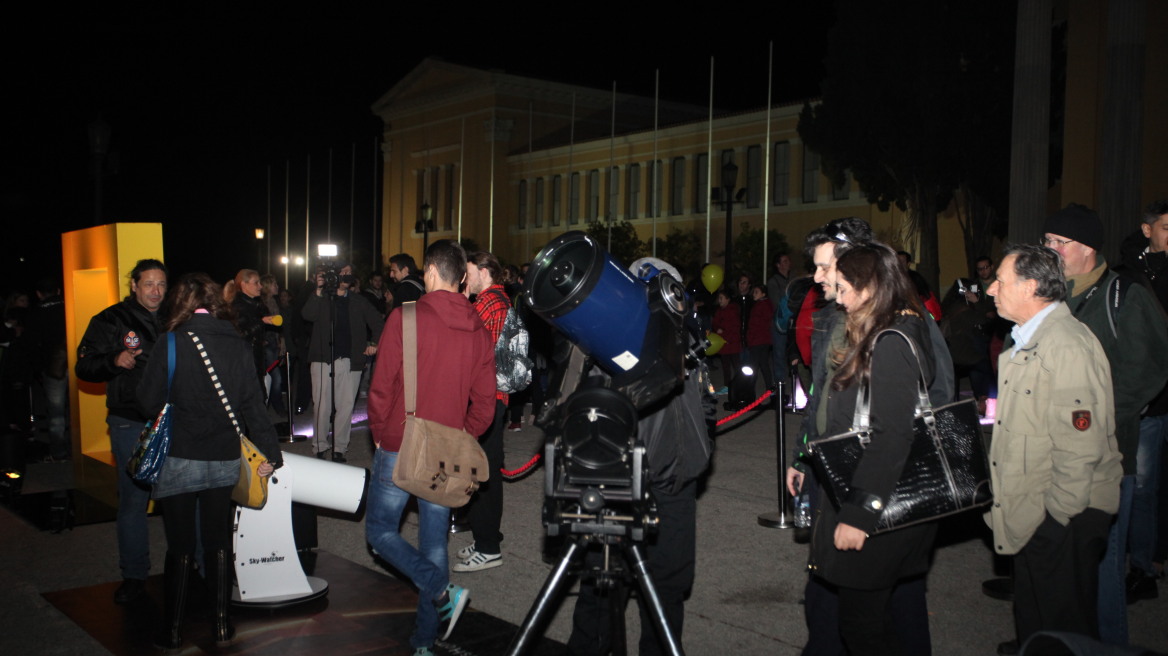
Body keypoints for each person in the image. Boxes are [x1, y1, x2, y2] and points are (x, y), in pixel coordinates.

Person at [788, 218, 951, 656]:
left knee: (885, 606)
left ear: (858, 271)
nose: (819, 279)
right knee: (833, 593)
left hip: (878, 481)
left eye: (826, 269)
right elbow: (822, 392)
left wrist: (866, 505)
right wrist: (804, 455)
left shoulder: (900, 327)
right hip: (835, 468)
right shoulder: (839, 314)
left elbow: (909, 419)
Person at [567, 257, 714, 656]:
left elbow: (704, 404)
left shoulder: (682, 337)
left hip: (675, 479)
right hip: (619, 481)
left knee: (665, 589)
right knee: (602, 587)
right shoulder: (605, 337)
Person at [985, 244, 1123, 653]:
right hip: (1037, 511)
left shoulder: (1065, 345)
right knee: (1037, 625)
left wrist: (1055, 518)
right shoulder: (1031, 340)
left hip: (1064, 516)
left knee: (1065, 632)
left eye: (1000, 281)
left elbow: (1080, 447)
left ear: (1030, 288)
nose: (991, 289)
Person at [1042, 203, 1168, 646]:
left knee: (1103, 563)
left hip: (1107, 454)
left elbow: (1150, 368)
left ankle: (1108, 645)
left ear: (1090, 248)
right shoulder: (1051, 296)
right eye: (1049, 242)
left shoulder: (1124, 294)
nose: (1052, 250)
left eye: (1062, 243)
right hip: (1052, 453)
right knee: (1060, 560)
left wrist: (1098, 419)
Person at [136, 272, 281, 650]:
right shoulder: (236, 342)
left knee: (181, 546)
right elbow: (253, 404)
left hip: (179, 455)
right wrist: (270, 454)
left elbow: (148, 402)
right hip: (222, 455)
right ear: (217, 303)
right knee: (218, 541)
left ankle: (172, 629)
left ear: (180, 303)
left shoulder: (169, 343)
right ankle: (221, 624)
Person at [366, 239, 496, 656]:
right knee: (435, 545)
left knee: (380, 532)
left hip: (400, 442)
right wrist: (464, 435)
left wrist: (381, 434)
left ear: (430, 273)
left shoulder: (405, 317)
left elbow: (381, 388)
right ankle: (425, 642)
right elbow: (486, 403)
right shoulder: (478, 327)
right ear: (461, 277)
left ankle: (442, 590)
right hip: (447, 451)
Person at [74, 258, 167, 604]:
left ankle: (198, 566)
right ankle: (134, 575)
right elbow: (84, 365)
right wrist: (114, 360)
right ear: (134, 285)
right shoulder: (111, 319)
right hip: (131, 421)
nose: (156, 291)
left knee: (183, 498)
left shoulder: (174, 317)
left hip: (174, 420)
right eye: (148, 284)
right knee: (133, 500)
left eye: (161, 285)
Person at [1119, 199, 1168, 603]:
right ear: (1148, 230)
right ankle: (1142, 568)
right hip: (1152, 399)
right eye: (1166, 227)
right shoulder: (1132, 272)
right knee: (1141, 486)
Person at [454, 251, 511, 573]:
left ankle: (489, 547)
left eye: (469, 271)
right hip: (491, 398)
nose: (465, 277)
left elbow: (473, 349)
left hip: (487, 399)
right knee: (481, 472)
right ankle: (485, 537)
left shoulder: (492, 303)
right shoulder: (493, 301)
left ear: (485, 272)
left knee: (483, 474)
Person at [302, 269, 384, 462]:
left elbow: (378, 322)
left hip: (350, 361)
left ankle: (340, 448)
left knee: (345, 407)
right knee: (322, 406)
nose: (346, 276)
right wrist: (319, 290)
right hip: (322, 359)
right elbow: (307, 314)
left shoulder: (358, 300)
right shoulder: (322, 298)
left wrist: (374, 344)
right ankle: (320, 446)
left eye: (349, 272)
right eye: (343, 272)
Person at [710, 290, 743, 391]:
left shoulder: (732, 311)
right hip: (723, 343)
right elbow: (715, 323)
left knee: (736, 366)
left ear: (728, 299)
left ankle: (741, 384)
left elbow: (734, 328)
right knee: (725, 366)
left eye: (721, 298)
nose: (719, 301)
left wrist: (724, 335)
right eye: (719, 298)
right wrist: (718, 330)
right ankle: (727, 386)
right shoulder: (719, 311)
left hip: (731, 343)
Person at [746, 284, 775, 390]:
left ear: (763, 294)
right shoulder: (763, 304)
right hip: (762, 340)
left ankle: (750, 389)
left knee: (754, 366)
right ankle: (769, 388)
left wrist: (751, 338)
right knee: (763, 365)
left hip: (758, 340)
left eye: (756, 292)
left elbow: (757, 325)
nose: (754, 294)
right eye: (754, 292)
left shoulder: (762, 306)